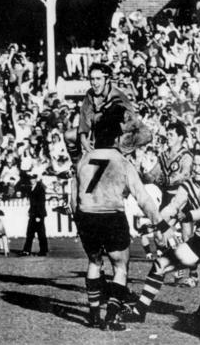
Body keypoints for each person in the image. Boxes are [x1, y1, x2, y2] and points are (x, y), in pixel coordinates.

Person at [122, 147, 200, 331]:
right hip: (199, 240)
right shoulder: (188, 185)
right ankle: (139, 312)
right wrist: (160, 223)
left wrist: (184, 217)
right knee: (160, 264)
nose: (197, 169)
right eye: (195, 165)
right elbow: (173, 207)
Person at [72, 100, 163, 330]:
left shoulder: (83, 161)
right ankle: (111, 316)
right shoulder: (121, 161)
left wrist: (80, 223)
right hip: (111, 216)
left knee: (94, 262)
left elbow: (73, 199)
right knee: (120, 267)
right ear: (116, 138)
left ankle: (93, 316)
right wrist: (160, 225)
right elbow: (143, 198)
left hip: (86, 217)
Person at [146, 122, 196, 287]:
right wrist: (139, 176)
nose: (168, 137)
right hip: (167, 199)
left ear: (180, 137)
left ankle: (192, 275)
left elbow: (185, 175)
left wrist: (168, 179)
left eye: (171, 135)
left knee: (188, 237)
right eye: (167, 134)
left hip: (183, 198)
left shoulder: (186, 156)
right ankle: (178, 265)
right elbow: (153, 174)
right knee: (160, 236)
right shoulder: (164, 155)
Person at [20, 173, 48, 256]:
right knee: (30, 233)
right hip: (33, 213)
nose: (31, 180)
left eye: (33, 179)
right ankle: (27, 250)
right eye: (30, 179)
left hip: (38, 214)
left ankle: (43, 250)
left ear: (36, 179)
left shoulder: (40, 188)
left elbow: (41, 203)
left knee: (40, 233)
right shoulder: (31, 188)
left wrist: (39, 215)